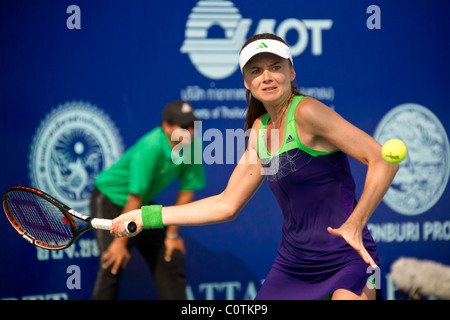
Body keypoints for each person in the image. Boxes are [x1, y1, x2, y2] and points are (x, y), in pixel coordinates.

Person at [111, 34, 398, 300]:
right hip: (293, 264)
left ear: (291, 72)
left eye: (275, 67)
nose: (267, 77)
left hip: (349, 257)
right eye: (256, 71)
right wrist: (147, 216)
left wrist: (356, 223)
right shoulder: (259, 131)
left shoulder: (309, 112)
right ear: (247, 83)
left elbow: (382, 159)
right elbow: (226, 204)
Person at [90, 100, 206, 300]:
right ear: (167, 127)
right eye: (184, 127)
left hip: (140, 204)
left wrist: (171, 236)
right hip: (110, 200)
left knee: (170, 255)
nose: (190, 131)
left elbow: (187, 191)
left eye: (193, 126)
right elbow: (135, 197)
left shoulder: (192, 145)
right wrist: (120, 243)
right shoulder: (149, 147)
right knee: (113, 262)